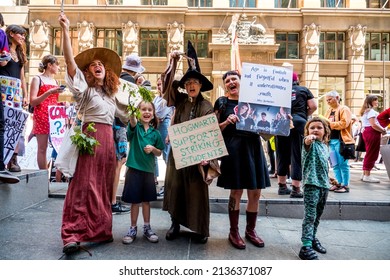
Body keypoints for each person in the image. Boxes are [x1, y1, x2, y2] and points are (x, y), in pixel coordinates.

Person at [59, 12, 121, 254]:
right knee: (83, 186)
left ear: (108, 73)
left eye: (101, 65)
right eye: (93, 65)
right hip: (89, 140)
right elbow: (69, 63)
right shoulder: (84, 89)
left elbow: (129, 113)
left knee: (103, 186)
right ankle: (72, 233)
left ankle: (100, 230)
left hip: (108, 145)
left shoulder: (111, 96)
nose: (98, 66)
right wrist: (65, 30)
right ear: (87, 73)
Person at [162, 43, 214, 243]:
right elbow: (168, 87)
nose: (191, 85)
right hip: (177, 154)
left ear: (201, 85)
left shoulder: (206, 105)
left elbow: (209, 132)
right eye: (188, 82)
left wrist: (207, 155)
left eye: (195, 82)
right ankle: (175, 223)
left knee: (196, 192)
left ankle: (200, 228)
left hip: (198, 156)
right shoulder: (181, 100)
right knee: (175, 189)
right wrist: (173, 62)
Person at [215, 70, 270, 249]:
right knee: (236, 192)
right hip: (234, 150)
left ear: (241, 82)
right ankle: (233, 231)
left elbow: (266, 137)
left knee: (255, 192)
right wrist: (226, 122)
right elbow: (213, 130)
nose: (231, 82)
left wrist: (281, 123)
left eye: (234, 79)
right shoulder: (222, 103)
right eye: (228, 80)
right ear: (225, 86)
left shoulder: (255, 103)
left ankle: (250, 231)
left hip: (254, 149)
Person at [121, 100, 164, 244]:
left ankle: (147, 227)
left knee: (146, 202)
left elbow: (159, 153)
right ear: (138, 113)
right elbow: (132, 121)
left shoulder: (156, 133)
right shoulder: (134, 128)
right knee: (135, 201)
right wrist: (132, 111)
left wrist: (153, 149)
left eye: (149, 110)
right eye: (143, 109)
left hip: (148, 172)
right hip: (134, 169)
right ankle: (133, 228)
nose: (146, 112)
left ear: (153, 114)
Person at [276, 72, 317, 198]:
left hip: (281, 122)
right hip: (299, 122)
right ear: (297, 79)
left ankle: (282, 186)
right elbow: (313, 106)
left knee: (281, 154)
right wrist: (303, 113)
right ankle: (296, 189)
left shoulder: (279, 91)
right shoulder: (303, 90)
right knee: (297, 154)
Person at [299, 117, 331, 260]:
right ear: (307, 131)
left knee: (318, 215)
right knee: (310, 216)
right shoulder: (308, 144)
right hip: (311, 184)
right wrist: (309, 138)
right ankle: (305, 246)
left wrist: (331, 179)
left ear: (325, 132)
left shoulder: (325, 146)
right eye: (312, 128)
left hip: (324, 185)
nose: (316, 130)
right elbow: (306, 142)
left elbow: (323, 165)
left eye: (319, 128)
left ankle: (312, 238)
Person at [0, 24, 28, 173]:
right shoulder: (3, 50)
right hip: (3, 89)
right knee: (4, 125)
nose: (23, 37)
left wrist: (26, 95)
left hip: (16, 91)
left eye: (24, 35)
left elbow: (22, 77)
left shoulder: (21, 54)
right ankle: (3, 159)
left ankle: (13, 158)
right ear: (11, 34)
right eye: (21, 34)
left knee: (16, 125)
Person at [29, 54, 65, 170]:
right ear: (50, 65)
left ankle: (49, 174)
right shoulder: (37, 79)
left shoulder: (55, 81)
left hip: (55, 118)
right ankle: (44, 178)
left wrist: (63, 104)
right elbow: (33, 101)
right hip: (41, 115)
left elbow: (55, 100)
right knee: (42, 148)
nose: (59, 68)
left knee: (57, 147)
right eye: (57, 65)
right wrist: (49, 92)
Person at [324, 90, 354, 193]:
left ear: (337, 97)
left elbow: (344, 123)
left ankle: (345, 185)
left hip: (342, 141)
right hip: (330, 141)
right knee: (335, 164)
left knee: (343, 164)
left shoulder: (344, 109)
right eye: (327, 100)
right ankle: (338, 183)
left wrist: (329, 123)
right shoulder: (329, 110)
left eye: (330, 99)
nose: (328, 102)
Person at [153, 77, 174, 196]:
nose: (159, 86)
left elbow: (161, 114)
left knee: (166, 154)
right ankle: (154, 179)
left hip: (165, 125)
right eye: (158, 84)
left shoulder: (168, 98)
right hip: (156, 126)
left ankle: (169, 184)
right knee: (154, 153)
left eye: (161, 84)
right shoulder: (157, 98)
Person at [359, 95, 387, 183]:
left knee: (369, 153)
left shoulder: (365, 111)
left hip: (367, 132)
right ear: (371, 101)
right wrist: (383, 130)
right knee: (372, 154)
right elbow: (373, 124)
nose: (377, 102)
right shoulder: (370, 111)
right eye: (375, 100)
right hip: (372, 132)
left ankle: (365, 174)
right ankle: (367, 175)